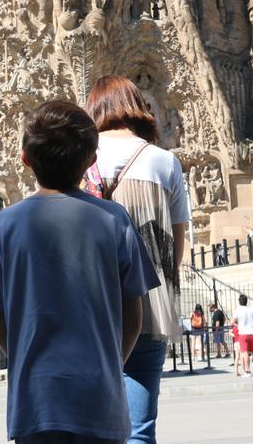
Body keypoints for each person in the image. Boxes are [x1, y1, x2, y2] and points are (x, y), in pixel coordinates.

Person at [0, 100, 158, 444]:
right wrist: (112, 362)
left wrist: (25, 359)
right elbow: (134, 312)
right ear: (91, 160)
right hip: (100, 399)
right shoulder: (114, 219)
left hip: (35, 402)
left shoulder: (5, 225)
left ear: (25, 159)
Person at [85, 75, 189, 444]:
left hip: (90, 303)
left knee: (88, 425)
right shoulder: (164, 161)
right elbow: (177, 243)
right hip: (148, 305)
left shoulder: (81, 159)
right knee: (139, 428)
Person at [234, 294, 253, 378]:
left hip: (243, 333)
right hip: (252, 332)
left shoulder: (237, 310)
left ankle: (248, 371)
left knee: (245, 352)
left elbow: (232, 322)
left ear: (239, 302)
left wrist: (238, 325)